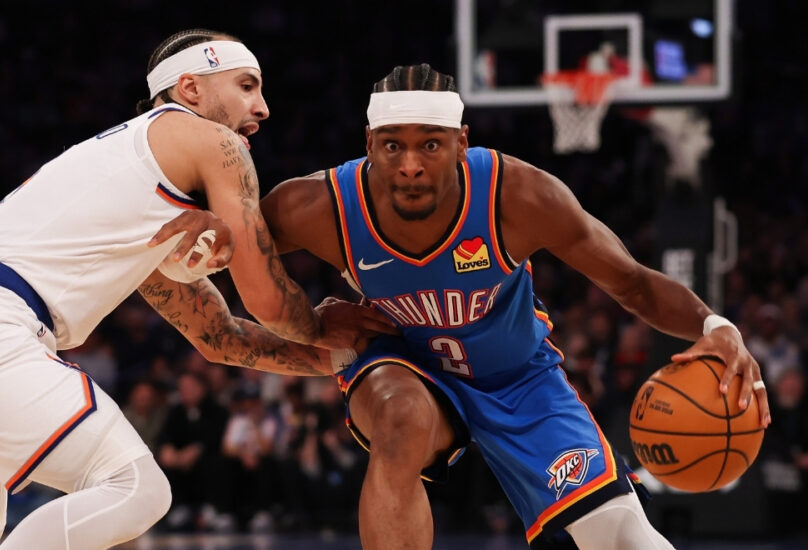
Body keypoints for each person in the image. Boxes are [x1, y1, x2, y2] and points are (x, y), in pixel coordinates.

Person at [0, 28, 391, 550]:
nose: (262, 107)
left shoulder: (132, 180)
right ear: (190, 88)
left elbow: (221, 338)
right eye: (246, 85)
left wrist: (339, 358)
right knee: (135, 488)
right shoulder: (212, 141)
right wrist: (325, 327)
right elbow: (267, 299)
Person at [253, 64, 773, 549]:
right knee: (401, 420)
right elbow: (218, 253)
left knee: (622, 537)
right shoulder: (318, 207)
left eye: (429, 145)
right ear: (370, 145)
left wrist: (715, 323)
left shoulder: (519, 197)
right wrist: (311, 321)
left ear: (461, 144)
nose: (409, 165)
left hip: (518, 376)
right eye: (392, 146)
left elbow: (632, 283)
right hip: (402, 361)